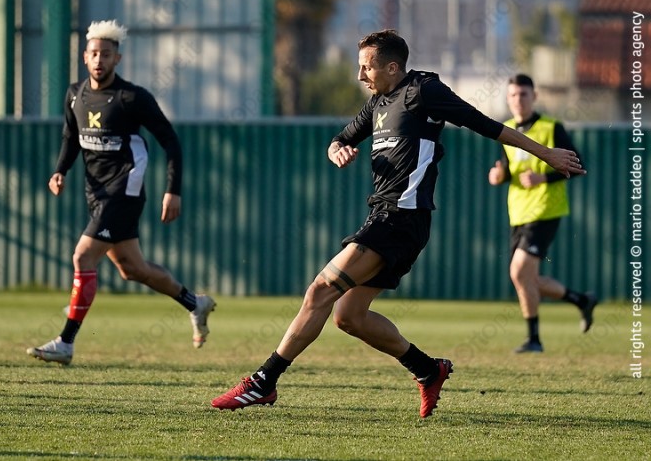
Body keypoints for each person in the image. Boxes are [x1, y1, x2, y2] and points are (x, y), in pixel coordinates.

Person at [210, 30, 585, 418]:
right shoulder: (377, 102)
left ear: (392, 67)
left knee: (320, 290)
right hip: (385, 217)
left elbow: (484, 124)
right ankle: (428, 369)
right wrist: (337, 149)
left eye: (366, 67)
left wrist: (546, 153)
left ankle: (263, 382)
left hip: (401, 218)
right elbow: (341, 137)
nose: (360, 75)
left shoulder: (424, 91)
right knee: (349, 317)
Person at [27, 19, 215, 365]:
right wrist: (59, 170)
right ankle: (195, 303)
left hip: (125, 190)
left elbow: (170, 140)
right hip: (96, 193)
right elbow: (71, 138)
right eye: (94, 54)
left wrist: (172, 190)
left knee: (83, 257)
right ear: (85, 57)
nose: (100, 60)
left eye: (106, 54)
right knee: (133, 268)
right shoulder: (75, 94)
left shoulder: (132, 97)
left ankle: (65, 342)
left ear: (118, 59)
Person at [488, 74, 596, 353]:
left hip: (546, 208)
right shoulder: (507, 130)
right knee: (526, 278)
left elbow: (578, 165)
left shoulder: (551, 127)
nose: (518, 100)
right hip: (518, 211)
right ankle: (581, 300)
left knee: (519, 271)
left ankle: (535, 339)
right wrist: (499, 175)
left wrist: (543, 178)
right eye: (513, 95)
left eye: (523, 94)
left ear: (534, 96)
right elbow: (508, 168)